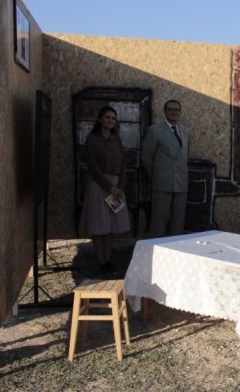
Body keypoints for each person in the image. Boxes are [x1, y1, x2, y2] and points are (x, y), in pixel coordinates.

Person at [80, 105, 130, 275]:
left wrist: (120, 186)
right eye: (107, 117)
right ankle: (100, 261)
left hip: (116, 187)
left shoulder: (116, 139)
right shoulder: (92, 139)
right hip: (99, 185)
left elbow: (123, 164)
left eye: (113, 118)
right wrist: (109, 187)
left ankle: (108, 260)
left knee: (111, 226)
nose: (110, 121)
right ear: (100, 119)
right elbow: (93, 166)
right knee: (98, 225)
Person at [141, 100, 189, 237]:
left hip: (181, 183)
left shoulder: (185, 131)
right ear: (165, 112)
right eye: (170, 109)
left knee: (178, 222)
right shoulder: (155, 130)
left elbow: (185, 156)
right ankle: (156, 248)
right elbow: (146, 157)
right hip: (161, 184)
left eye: (177, 109)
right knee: (159, 221)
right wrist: (156, 176)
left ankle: (176, 248)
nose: (174, 112)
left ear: (180, 112)